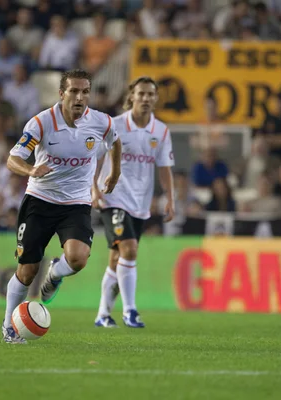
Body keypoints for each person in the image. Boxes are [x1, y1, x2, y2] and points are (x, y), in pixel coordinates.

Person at [2, 69, 121, 344]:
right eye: (74, 91)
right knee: (27, 271)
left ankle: (55, 273)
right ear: (62, 94)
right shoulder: (41, 123)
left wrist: (114, 174)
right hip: (40, 201)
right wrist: (31, 169)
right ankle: (9, 326)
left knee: (79, 258)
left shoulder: (100, 121)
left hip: (76, 203)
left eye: (85, 92)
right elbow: (12, 159)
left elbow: (115, 141)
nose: (80, 97)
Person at [92, 76, 175, 328]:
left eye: (151, 94)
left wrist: (170, 199)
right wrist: (94, 188)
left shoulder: (160, 131)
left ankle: (103, 315)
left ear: (156, 98)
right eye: (141, 94)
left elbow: (164, 168)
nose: (146, 99)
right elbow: (96, 157)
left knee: (118, 259)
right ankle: (130, 311)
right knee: (129, 249)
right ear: (132, 97)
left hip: (140, 203)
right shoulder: (115, 125)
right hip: (113, 197)